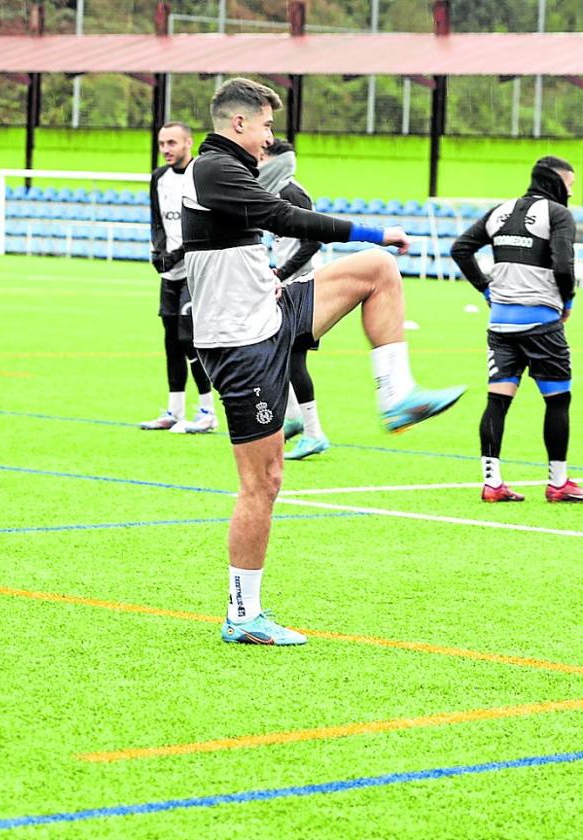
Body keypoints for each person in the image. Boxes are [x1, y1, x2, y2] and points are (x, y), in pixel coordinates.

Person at [183, 78, 467, 646]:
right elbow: (285, 219)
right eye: (265, 126)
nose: (269, 138)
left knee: (376, 270)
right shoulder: (213, 169)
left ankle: (397, 394)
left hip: (269, 310)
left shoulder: (229, 170)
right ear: (238, 123)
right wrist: (375, 229)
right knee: (264, 481)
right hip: (240, 344)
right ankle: (243, 614)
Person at [450, 156, 583, 504]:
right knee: (558, 400)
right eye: (570, 184)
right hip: (541, 323)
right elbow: (563, 264)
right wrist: (568, 302)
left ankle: (492, 483)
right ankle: (558, 483)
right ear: (557, 182)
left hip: (500, 324)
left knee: (497, 401)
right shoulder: (559, 214)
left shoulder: (501, 211)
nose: (571, 192)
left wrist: (487, 290)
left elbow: (460, 249)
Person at [140, 121, 216, 434]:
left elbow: (206, 226)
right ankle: (174, 410)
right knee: (171, 339)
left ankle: (208, 412)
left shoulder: (202, 175)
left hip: (196, 270)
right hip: (169, 271)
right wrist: (159, 252)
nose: (166, 149)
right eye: (162, 144)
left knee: (189, 337)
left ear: (188, 142)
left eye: (172, 142)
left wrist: (179, 253)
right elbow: (157, 220)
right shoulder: (158, 177)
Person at [258, 138, 329, 461]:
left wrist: (283, 270)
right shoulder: (276, 192)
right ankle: (293, 419)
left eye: (263, 157)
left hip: (302, 286)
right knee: (279, 355)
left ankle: (314, 433)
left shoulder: (291, 192)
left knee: (294, 358)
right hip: (287, 284)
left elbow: (314, 240)